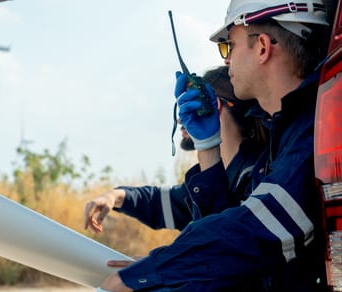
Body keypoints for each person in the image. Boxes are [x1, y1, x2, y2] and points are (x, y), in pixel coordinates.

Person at [89, 0, 330, 292]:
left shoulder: (314, 129)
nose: (227, 60)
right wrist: (207, 148)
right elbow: (227, 227)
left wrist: (142, 274)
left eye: (229, 46)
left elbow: (255, 231)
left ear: (261, 47)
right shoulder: (279, 141)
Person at [84, 66, 265, 236]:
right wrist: (114, 195)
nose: (180, 120)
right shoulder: (221, 176)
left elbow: (224, 246)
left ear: (213, 105)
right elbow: (161, 202)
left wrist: (165, 263)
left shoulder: (255, 178)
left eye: (191, 104)